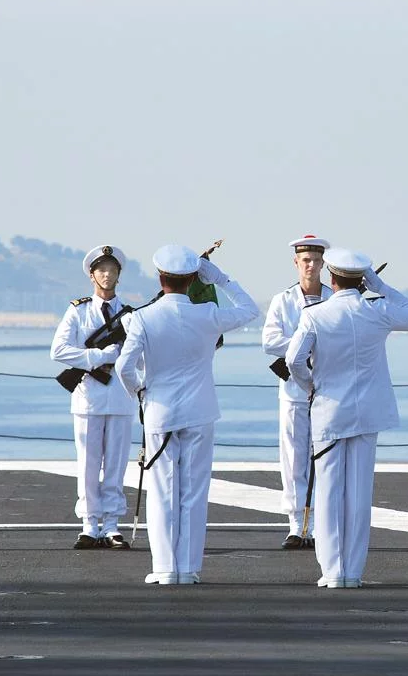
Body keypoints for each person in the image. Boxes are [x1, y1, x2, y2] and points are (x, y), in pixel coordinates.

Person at [116, 245, 259, 585]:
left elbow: (124, 367)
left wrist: (140, 392)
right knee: (194, 492)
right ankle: (189, 568)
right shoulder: (208, 314)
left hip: (160, 412)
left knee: (163, 490)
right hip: (200, 411)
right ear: (194, 278)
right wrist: (220, 278)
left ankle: (165, 568)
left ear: (159, 278)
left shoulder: (142, 318)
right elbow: (250, 309)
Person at [285, 249, 408, 588]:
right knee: (360, 494)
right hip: (368, 412)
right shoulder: (375, 309)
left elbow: (293, 361)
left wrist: (310, 385)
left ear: (331, 278)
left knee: (330, 492)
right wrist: (380, 286)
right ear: (360, 279)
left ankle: (332, 571)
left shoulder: (315, 314)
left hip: (330, 410)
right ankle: (354, 572)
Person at [51, 245, 136, 550]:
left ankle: (112, 525)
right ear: (91, 275)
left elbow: (141, 357)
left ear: (119, 275)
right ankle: (89, 524)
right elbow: (58, 350)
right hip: (88, 397)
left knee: (115, 465)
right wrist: (99, 356)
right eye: (101, 269)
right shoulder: (78, 310)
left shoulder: (130, 316)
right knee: (88, 464)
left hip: (120, 398)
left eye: (112, 270)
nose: (107, 274)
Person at [262, 235, 333, 549]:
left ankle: (319, 524)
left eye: (316, 260)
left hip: (326, 388)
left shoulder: (334, 298)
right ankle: (296, 524)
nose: (311, 265)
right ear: (296, 262)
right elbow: (269, 341)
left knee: (323, 458)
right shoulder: (283, 300)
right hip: (293, 388)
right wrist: (304, 344)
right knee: (293, 457)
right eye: (305, 260)